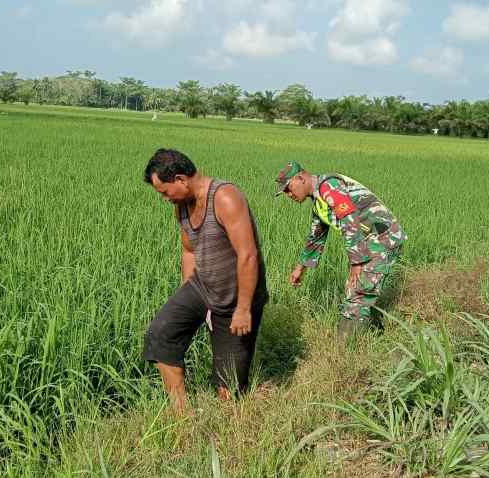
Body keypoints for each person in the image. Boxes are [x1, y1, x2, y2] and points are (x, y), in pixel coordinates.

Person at [143, 148, 268, 411]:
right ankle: (181, 414)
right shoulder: (182, 207)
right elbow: (189, 250)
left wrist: (244, 309)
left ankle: (230, 421)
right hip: (203, 286)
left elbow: (247, 255)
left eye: (164, 192)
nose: (164, 198)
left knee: (229, 389)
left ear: (180, 179)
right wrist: (187, 298)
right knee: (161, 335)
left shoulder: (224, 197)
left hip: (237, 298)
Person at [275, 161, 406, 338]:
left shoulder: (329, 186)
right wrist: (300, 268)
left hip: (382, 239)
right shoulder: (318, 200)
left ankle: (346, 348)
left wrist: (357, 263)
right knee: (354, 290)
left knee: (359, 292)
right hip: (369, 241)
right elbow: (316, 235)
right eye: (285, 192)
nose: (288, 194)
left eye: (288, 188)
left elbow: (349, 220)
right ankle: (359, 336)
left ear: (301, 178)